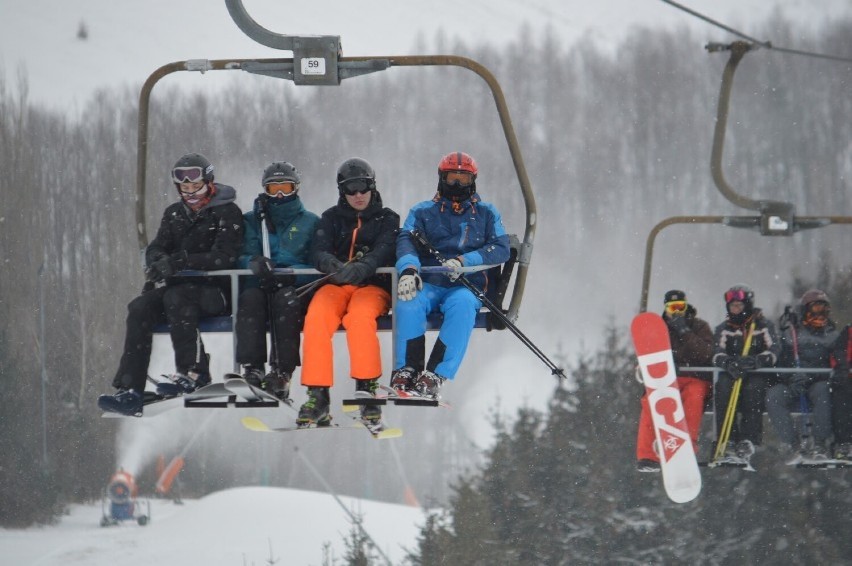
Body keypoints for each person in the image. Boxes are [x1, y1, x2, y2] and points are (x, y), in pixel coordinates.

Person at [98, 153, 244, 416]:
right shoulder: (175, 214)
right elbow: (157, 246)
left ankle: (194, 371)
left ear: (209, 183)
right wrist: (158, 260)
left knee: (178, 298)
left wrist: (180, 262)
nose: (191, 193)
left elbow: (225, 255)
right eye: (185, 188)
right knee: (140, 307)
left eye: (196, 187)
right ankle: (131, 388)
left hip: (217, 291)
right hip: (177, 291)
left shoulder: (226, 212)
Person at [391, 151, 511, 399]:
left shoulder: (486, 213)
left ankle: (435, 374)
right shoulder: (423, 211)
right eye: (452, 177)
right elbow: (406, 241)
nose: (456, 184)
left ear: (473, 180)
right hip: (429, 281)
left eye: (463, 179)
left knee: (463, 305)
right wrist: (409, 269)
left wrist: (465, 261)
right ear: (441, 178)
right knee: (409, 301)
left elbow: (501, 248)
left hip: (466, 284)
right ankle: (407, 369)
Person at [296, 157, 400, 426]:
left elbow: (385, 249)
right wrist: (331, 263)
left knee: (360, 318)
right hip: (335, 285)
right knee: (317, 316)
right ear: (341, 191)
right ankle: (317, 395)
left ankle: (367, 389)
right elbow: (318, 250)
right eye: (350, 189)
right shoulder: (331, 219)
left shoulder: (387, 218)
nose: (357, 195)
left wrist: (364, 267)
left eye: (363, 188)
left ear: (372, 187)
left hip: (372, 286)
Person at [234, 161, 320, 401]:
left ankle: (282, 371)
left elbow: (318, 263)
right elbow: (238, 256)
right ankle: (252, 367)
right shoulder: (253, 221)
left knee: (286, 301)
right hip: (259, 286)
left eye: (285, 188)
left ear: (296, 189)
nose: (280, 194)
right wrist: (253, 263)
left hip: (294, 289)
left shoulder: (310, 222)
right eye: (274, 189)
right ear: (265, 191)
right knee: (250, 299)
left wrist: (291, 272)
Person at [636, 290, 713, 472]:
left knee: (693, 398)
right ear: (666, 309)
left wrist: (685, 332)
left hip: (696, 377)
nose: (676, 312)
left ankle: (686, 446)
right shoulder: (659, 327)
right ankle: (648, 454)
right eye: (672, 307)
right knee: (651, 402)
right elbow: (649, 352)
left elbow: (706, 353)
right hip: (667, 377)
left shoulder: (699, 326)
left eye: (680, 307)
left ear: (686, 306)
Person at [711, 284, 780, 465]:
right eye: (732, 306)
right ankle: (728, 439)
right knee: (723, 387)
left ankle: (748, 440)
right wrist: (727, 362)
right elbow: (717, 351)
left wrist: (757, 361)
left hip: (755, 372)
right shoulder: (724, 328)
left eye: (739, 306)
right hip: (732, 371)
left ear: (747, 305)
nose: (736, 309)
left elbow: (774, 349)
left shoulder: (762, 325)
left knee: (753, 390)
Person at [766, 289, 837, 464]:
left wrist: (817, 377)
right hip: (792, 381)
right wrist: (789, 377)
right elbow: (778, 360)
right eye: (815, 309)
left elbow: (836, 364)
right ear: (806, 310)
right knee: (774, 396)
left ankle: (819, 444)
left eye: (823, 309)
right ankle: (793, 445)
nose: (820, 314)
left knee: (823, 392)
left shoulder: (833, 336)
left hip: (817, 382)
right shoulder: (789, 334)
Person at [830, 324, 852, 462]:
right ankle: (844, 443)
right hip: (846, 379)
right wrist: (843, 367)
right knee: (842, 405)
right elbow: (837, 351)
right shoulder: (848, 332)